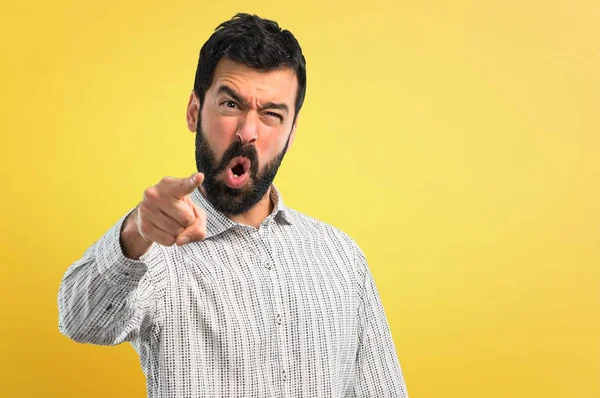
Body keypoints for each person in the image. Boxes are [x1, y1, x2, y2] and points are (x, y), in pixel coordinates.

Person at [57, 13, 409, 398]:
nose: (248, 132)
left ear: (291, 133)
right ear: (195, 111)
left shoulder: (341, 257)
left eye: (272, 114)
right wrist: (135, 232)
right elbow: (79, 320)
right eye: (230, 104)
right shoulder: (155, 252)